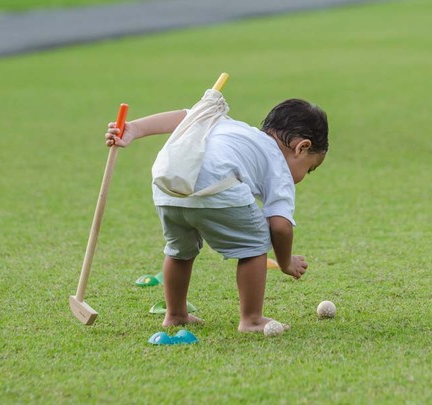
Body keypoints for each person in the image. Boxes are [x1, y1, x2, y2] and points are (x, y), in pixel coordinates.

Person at [105, 98, 329, 332]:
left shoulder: (226, 124)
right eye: (309, 168)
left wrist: (134, 129)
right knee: (255, 243)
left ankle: (175, 314)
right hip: (218, 187)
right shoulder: (279, 167)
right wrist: (285, 262)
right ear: (302, 147)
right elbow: (280, 227)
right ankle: (251, 319)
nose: (304, 175)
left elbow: (186, 117)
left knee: (179, 250)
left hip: (169, 185)